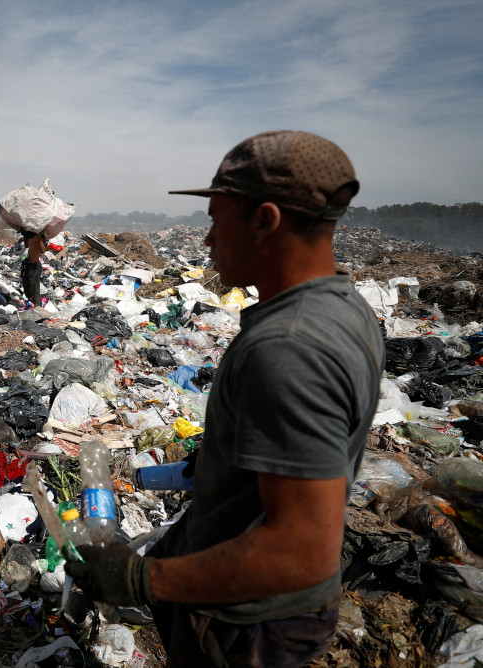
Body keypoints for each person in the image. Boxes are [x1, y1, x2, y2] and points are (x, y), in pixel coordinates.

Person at [66, 131, 384, 667]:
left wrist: (143, 578)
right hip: (270, 613)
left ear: (265, 220)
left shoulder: (290, 346)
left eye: (216, 220)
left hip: (247, 624)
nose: (207, 240)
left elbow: (302, 551)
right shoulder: (346, 308)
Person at [19, 230, 46, 306]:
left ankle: (38, 309)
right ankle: (32, 305)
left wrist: (39, 239)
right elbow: (27, 246)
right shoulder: (29, 238)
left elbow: (43, 251)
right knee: (27, 288)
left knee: (34, 290)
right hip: (28, 265)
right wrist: (25, 237)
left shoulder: (38, 239)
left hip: (35, 266)